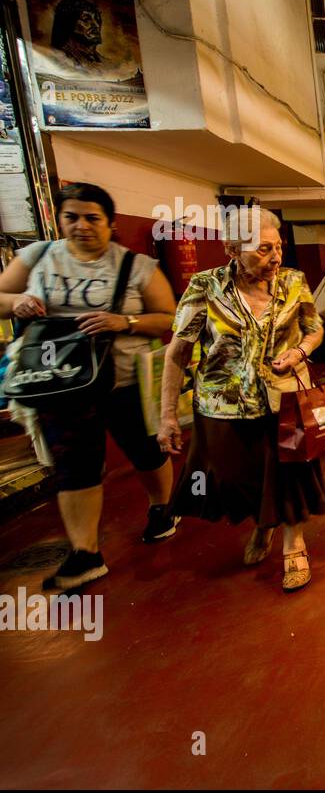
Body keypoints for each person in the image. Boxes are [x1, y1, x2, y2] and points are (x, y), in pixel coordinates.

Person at [0, 182, 178, 590]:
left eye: (92, 218)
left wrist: (125, 322)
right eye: (72, 217)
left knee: (145, 450)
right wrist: (17, 304)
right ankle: (85, 553)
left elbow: (170, 317)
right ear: (59, 219)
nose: (81, 226)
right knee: (73, 466)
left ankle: (162, 507)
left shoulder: (135, 267)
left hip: (124, 380)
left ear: (111, 223)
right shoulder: (37, 257)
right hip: (59, 384)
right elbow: (1, 296)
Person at [158, 208, 325, 592]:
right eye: (264, 249)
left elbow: (314, 329)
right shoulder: (205, 287)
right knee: (237, 476)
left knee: (289, 470)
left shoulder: (293, 282)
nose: (275, 257)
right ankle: (263, 522)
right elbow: (178, 352)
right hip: (223, 404)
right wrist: (167, 414)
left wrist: (300, 352)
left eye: (279, 247)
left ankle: (294, 542)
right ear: (232, 249)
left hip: (284, 397)